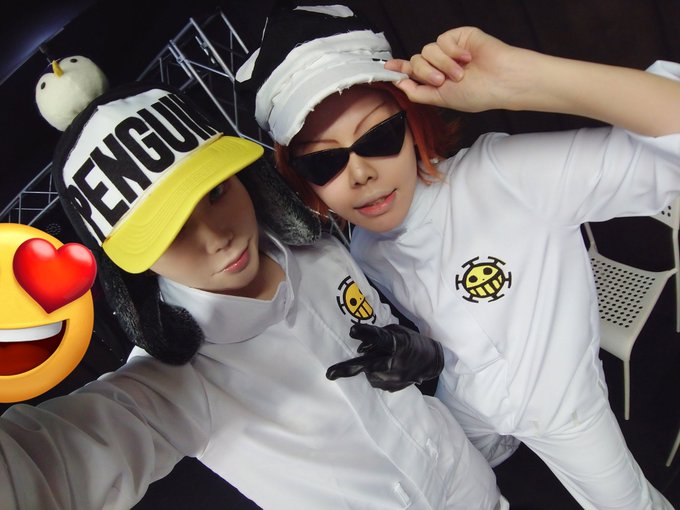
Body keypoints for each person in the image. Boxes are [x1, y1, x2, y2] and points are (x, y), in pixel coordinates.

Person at [235, 3, 680, 509]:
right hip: (467, 399)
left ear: (412, 121)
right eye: (324, 162)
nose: (360, 174)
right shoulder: (364, 247)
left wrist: (524, 79)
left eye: (379, 136)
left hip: (562, 409)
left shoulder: (504, 179)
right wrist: (419, 353)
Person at [0, 82, 508, 510]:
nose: (217, 236)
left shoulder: (319, 250)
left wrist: (416, 352)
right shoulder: (169, 385)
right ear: (134, 267)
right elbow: (45, 466)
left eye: (215, 192)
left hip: (473, 484)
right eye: (170, 231)